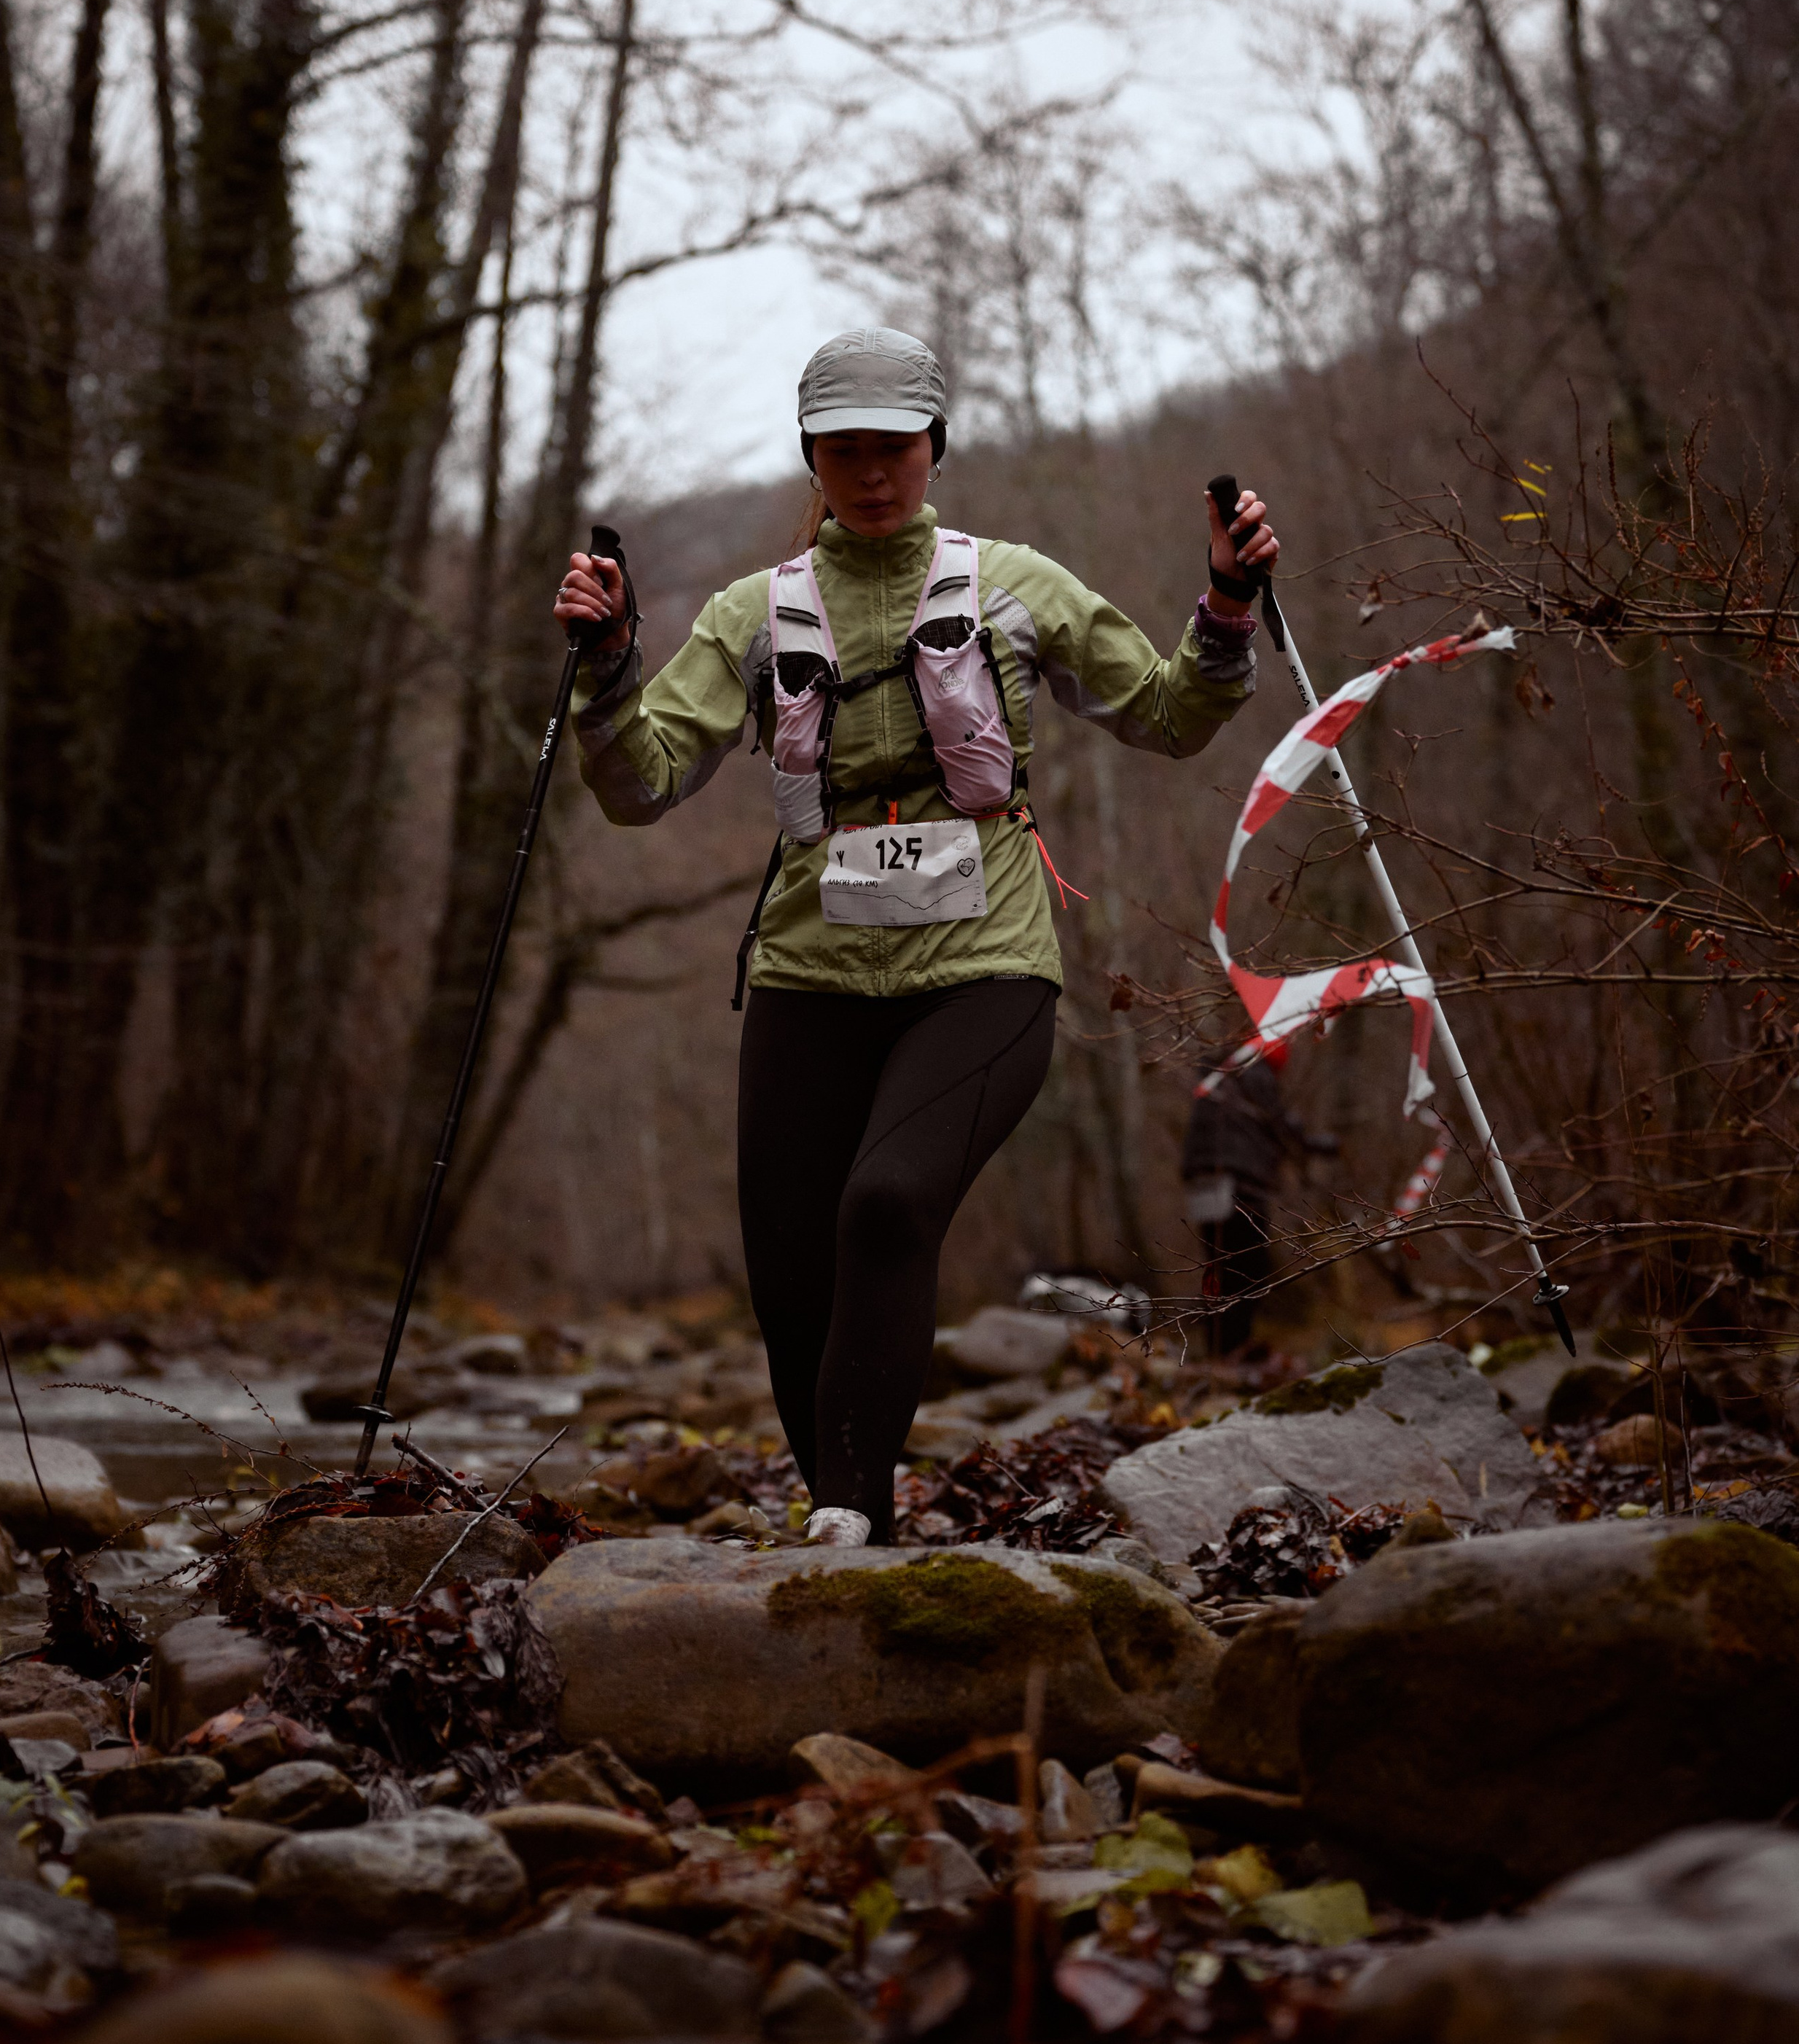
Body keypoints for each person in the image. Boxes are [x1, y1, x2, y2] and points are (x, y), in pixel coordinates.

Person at [555, 325, 1276, 1545]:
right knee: (790, 1282)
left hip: (982, 966)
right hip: (808, 970)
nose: (872, 472)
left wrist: (1227, 604)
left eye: (894, 446)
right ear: (812, 457)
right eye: (843, 450)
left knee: (886, 1205)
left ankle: (837, 1513)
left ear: (935, 446)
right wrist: (611, 668)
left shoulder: (1016, 586)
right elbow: (640, 785)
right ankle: (864, 1528)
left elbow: (1168, 715)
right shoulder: (753, 614)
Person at [1182, 1043, 1337, 1353]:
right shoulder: (1255, 1075)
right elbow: (1278, 1126)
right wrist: (1313, 1144)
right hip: (1241, 1185)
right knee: (1249, 1271)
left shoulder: (1219, 1077)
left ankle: (1217, 1351)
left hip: (1202, 1183)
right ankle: (1233, 1349)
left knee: (1218, 1267)